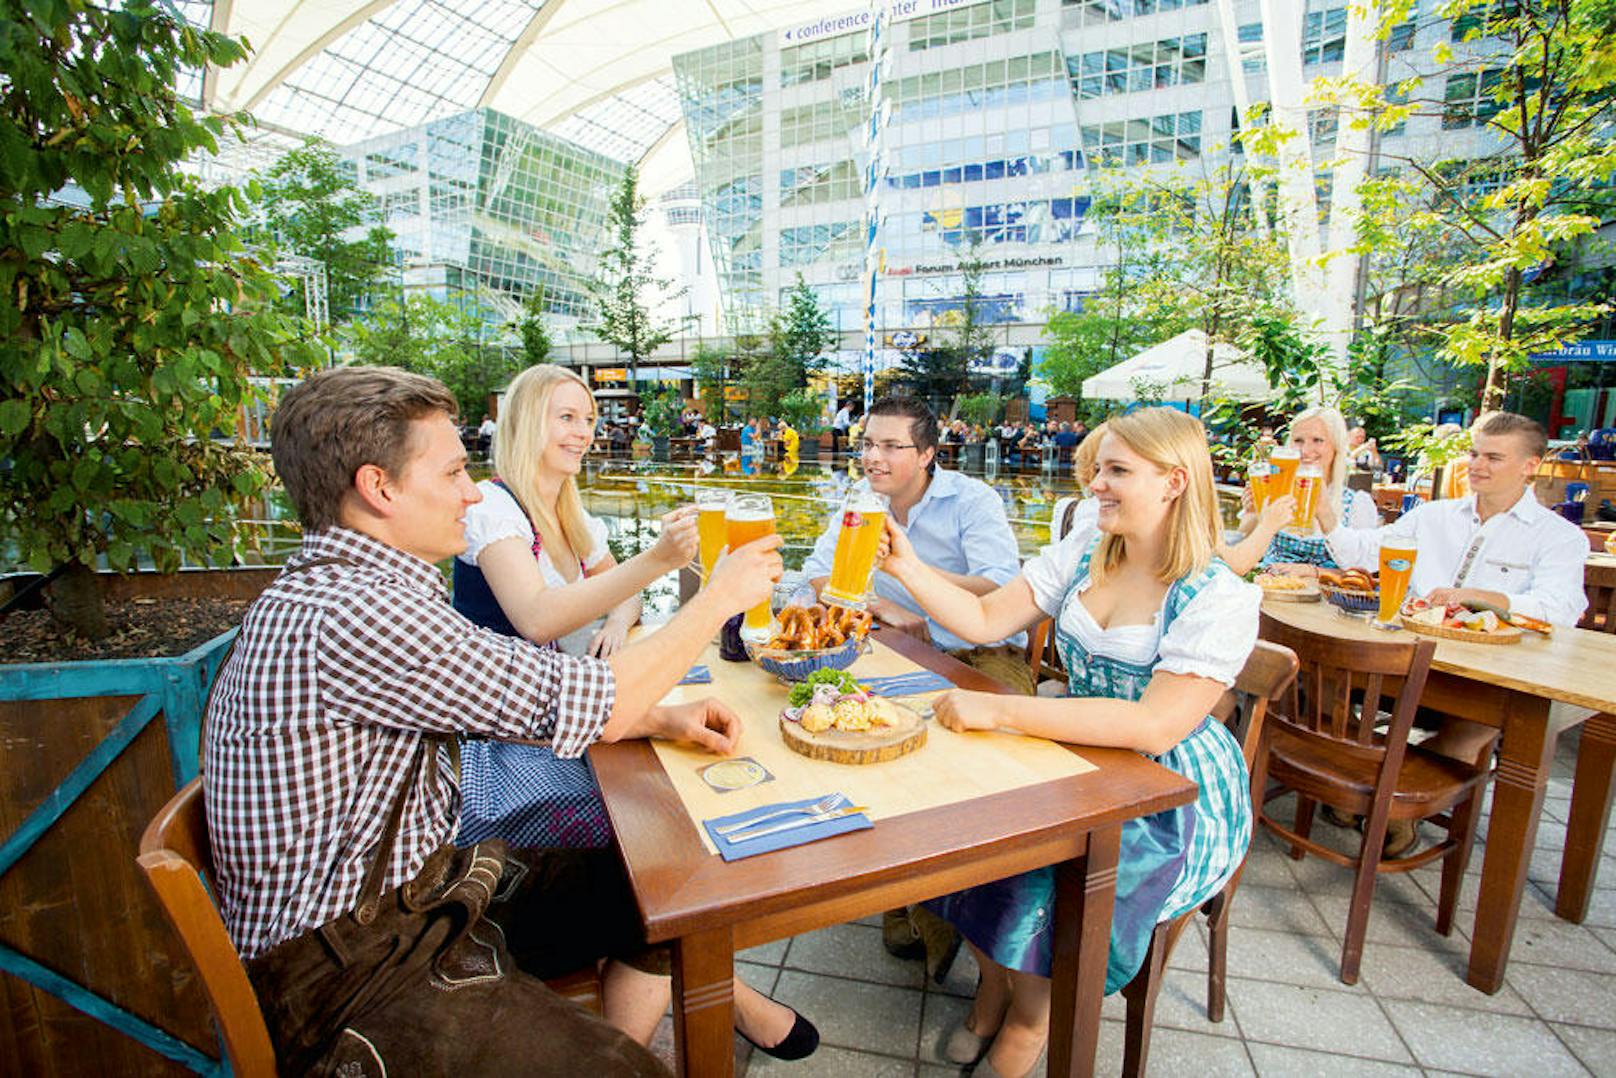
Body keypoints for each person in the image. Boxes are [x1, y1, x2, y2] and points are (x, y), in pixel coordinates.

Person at [205, 365, 808, 1074]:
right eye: (456, 470)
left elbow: (507, 687)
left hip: (418, 893)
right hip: (347, 966)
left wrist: (659, 721)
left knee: (664, 880)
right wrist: (719, 596)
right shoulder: (354, 610)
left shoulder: (359, 587)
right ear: (380, 487)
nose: (471, 490)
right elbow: (584, 695)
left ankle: (657, 1031)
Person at [878, 407, 1259, 1078]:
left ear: (1174, 481)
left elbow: (1153, 726)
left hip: (1168, 793)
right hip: (1073, 750)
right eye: (1096, 470)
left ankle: (1030, 1018)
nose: (1097, 486)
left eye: (1117, 471)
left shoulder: (1220, 595)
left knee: (1035, 875)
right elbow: (988, 615)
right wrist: (907, 567)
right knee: (965, 832)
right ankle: (997, 985)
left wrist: (1003, 716)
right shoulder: (1086, 549)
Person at [1231, 406, 1380, 576]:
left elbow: (1363, 574)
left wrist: (1312, 571)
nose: (1305, 450)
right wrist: (1254, 514)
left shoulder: (1356, 503)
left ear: (1336, 447)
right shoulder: (1275, 489)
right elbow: (1241, 546)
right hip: (1267, 592)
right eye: (1298, 441)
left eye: (1318, 440)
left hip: (1324, 599)